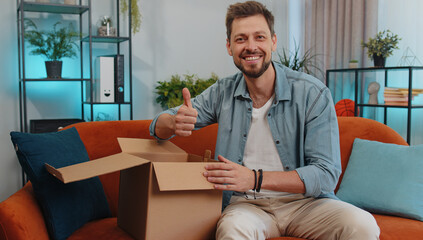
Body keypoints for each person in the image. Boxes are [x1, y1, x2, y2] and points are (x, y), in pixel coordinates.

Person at [150, 1, 380, 239]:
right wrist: (172, 123)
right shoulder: (222, 92)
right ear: (229, 46)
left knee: (362, 225)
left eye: (259, 37)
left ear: (273, 41)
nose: (251, 47)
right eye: (241, 39)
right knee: (231, 230)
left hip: (307, 205)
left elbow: (326, 175)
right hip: (247, 207)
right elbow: (158, 124)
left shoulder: (313, 93)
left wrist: (253, 178)